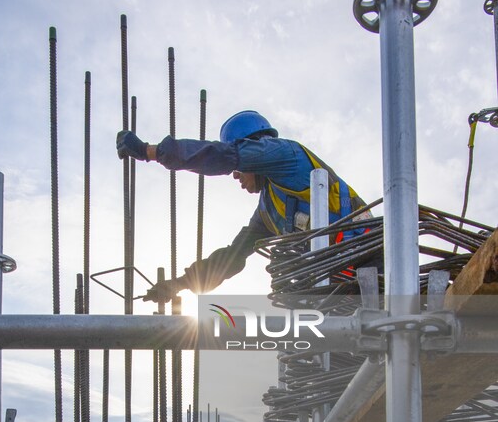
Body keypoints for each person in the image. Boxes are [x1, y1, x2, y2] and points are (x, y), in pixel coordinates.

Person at [116, 109, 371, 303]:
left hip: (369, 265)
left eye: (238, 169)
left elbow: (220, 156)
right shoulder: (268, 211)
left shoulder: (288, 157)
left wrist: (149, 152)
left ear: (254, 149)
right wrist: (179, 284)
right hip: (336, 287)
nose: (235, 176)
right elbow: (232, 257)